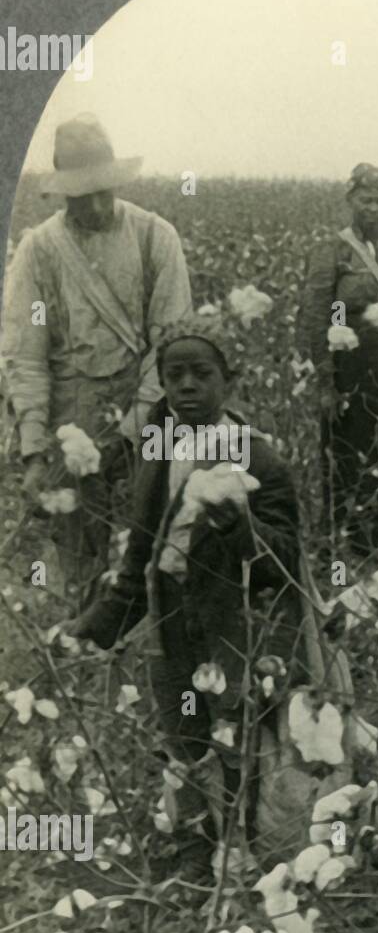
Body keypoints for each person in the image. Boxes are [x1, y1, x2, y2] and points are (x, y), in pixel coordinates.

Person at [65, 310, 308, 852]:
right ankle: (198, 844)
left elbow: (287, 558)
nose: (188, 386)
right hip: (172, 612)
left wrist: (243, 531)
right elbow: (144, 544)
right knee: (182, 725)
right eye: (175, 376)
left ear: (229, 382)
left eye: (201, 374)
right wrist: (109, 615)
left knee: (235, 727)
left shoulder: (255, 455)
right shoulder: (157, 449)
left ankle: (243, 844)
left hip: (232, 620)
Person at [2, 114, 192, 602]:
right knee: (81, 554)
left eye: (106, 189)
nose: (100, 203)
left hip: (149, 406)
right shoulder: (39, 252)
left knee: (157, 543)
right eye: (84, 194)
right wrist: (34, 449)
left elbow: (171, 345)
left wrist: (134, 425)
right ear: (64, 191)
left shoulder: (155, 238)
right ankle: (85, 650)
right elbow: (28, 354)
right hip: (72, 416)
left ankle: (152, 648)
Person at [296, 162, 378, 555]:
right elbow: (318, 313)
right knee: (348, 451)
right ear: (350, 199)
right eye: (365, 199)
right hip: (349, 366)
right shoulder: (333, 249)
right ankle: (347, 541)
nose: (373, 207)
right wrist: (325, 379)